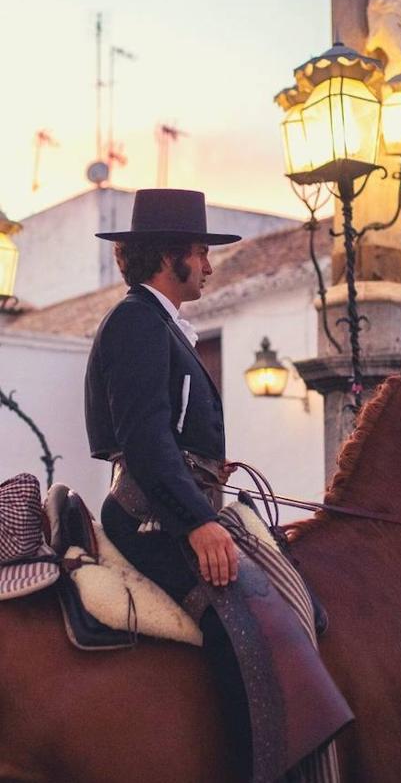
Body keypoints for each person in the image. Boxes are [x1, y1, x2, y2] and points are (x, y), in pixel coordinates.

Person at [84, 188, 252, 773]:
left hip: (167, 501)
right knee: (241, 623)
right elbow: (146, 441)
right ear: (170, 256)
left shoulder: (159, 322)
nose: (208, 265)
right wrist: (201, 520)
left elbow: (169, 433)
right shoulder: (138, 322)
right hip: (146, 514)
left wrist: (208, 464)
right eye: (202, 252)